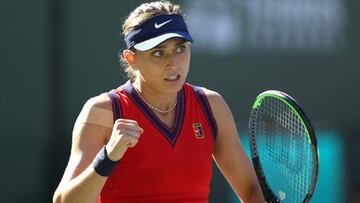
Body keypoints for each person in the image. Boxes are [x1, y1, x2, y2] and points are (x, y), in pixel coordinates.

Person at [52, 1, 264, 203]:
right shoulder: (102, 111)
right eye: (158, 53)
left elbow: (252, 191)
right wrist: (108, 157)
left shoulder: (211, 106)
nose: (173, 63)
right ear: (131, 59)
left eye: (180, 49)